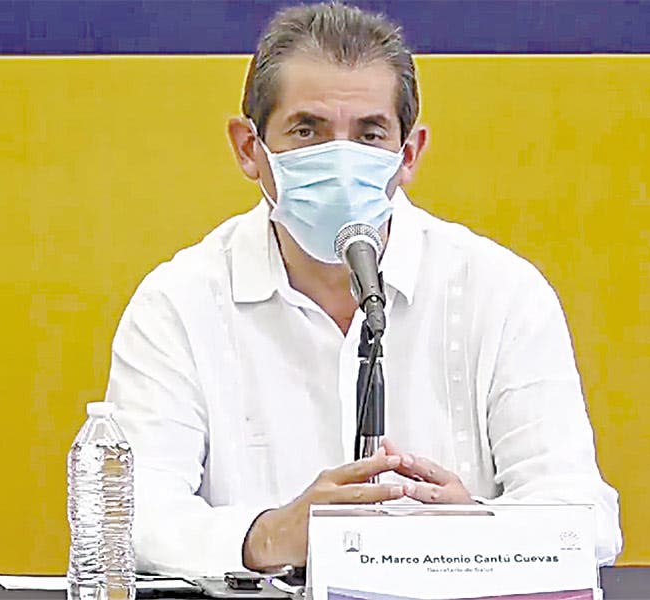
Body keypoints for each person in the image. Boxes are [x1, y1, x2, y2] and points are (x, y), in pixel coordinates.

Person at [103, 1, 622, 577]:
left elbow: (586, 518)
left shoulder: (501, 294)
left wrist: (478, 532)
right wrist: (270, 536)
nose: (341, 161)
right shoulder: (177, 304)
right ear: (249, 148)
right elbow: (131, 515)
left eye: (369, 134)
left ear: (409, 154)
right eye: (308, 131)